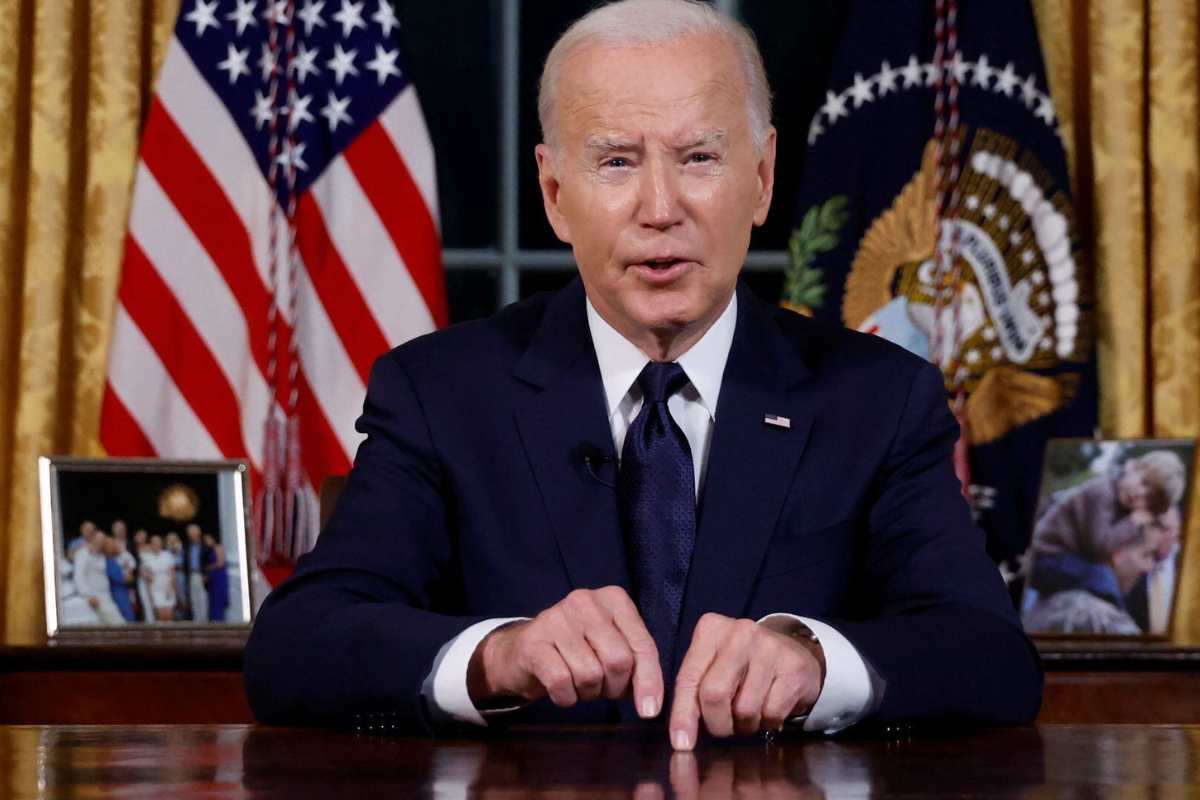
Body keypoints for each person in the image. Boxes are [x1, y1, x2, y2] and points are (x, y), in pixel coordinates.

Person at [244, 0, 1040, 745]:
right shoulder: (443, 395)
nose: (660, 208)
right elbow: (297, 645)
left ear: (762, 178)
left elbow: (989, 655)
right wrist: (500, 655)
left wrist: (816, 662)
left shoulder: (879, 399)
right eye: (617, 162)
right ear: (555, 193)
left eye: (699, 158)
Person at [72, 533, 126, 625]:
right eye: (98, 540)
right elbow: (79, 576)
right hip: (95, 596)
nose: (100, 543)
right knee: (118, 622)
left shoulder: (101, 556)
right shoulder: (83, 553)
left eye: (102, 541)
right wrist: (88, 595)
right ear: (93, 539)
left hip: (106, 595)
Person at [140, 534, 177, 623]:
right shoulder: (146, 557)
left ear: (161, 544)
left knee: (169, 615)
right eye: (154, 543)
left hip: (167, 587)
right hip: (155, 588)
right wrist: (150, 594)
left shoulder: (167, 555)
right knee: (161, 616)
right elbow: (145, 576)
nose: (156, 545)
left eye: (158, 543)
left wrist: (171, 588)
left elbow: (172, 573)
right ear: (151, 544)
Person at [103, 536, 136, 623]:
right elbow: (125, 579)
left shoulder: (113, 559)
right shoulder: (107, 561)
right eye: (112, 544)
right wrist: (129, 576)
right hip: (117, 593)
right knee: (127, 617)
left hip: (122, 591)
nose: (115, 546)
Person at [203, 533, 230, 623]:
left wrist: (209, 567)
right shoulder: (210, 550)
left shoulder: (218, 548)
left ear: (212, 539)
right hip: (213, 577)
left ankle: (219, 620)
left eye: (208, 539)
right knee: (213, 599)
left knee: (218, 599)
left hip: (219, 577)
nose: (206, 542)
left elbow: (220, 563)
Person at [185, 524, 209, 622]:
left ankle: (204, 621)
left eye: (194, 532)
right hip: (191, 575)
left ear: (198, 533)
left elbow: (209, 561)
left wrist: (207, 574)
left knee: (202, 598)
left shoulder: (205, 546)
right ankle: (197, 621)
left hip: (201, 575)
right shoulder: (188, 546)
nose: (192, 535)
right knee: (194, 599)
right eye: (190, 533)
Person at [166, 531, 188, 619]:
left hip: (180, 575)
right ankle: (176, 617)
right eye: (170, 539)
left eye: (173, 539)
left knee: (182, 596)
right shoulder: (166, 551)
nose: (172, 541)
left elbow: (185, 563)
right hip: (169, 576)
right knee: (173, 597)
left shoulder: (182, 549)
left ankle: (186, 616)